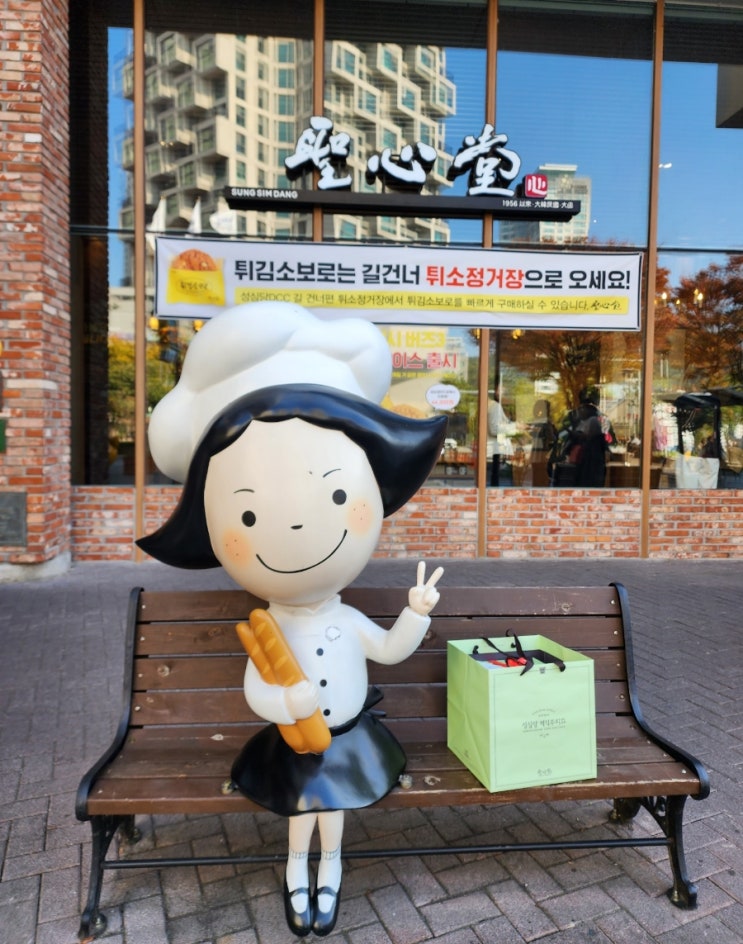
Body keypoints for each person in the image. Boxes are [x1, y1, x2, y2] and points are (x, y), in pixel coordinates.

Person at [138, 302, 448, 939]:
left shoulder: (347, 618)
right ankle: (294, 871)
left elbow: (388, 650)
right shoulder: (267, 633)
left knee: (331, 810)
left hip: (348, 737)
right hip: (292, 740)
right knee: (301, 810)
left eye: (336, 494)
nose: (301, 525)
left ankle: (329, 871)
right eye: (248, 516)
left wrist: (415, 616)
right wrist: (284, 702)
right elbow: (258, 685)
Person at [556, 386, 616, 488]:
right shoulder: (602, 419)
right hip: (595, 462)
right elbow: (611, 442)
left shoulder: (572, 417)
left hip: (576, 462)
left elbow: (560, 437)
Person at [528, 399, 556, 487]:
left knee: (537, 474)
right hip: (542, 451)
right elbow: (551, 437)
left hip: (537, 451)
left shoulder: (537, 421)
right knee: (542, 474)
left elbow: (531, 434)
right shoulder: (546, 422)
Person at [487, 395, 511, 486]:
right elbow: (494, 429)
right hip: (495, 449)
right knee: (495, 479)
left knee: (492, 478)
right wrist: (513, 428)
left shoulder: (488, 406)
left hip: (492, 448)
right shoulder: (495, 406)